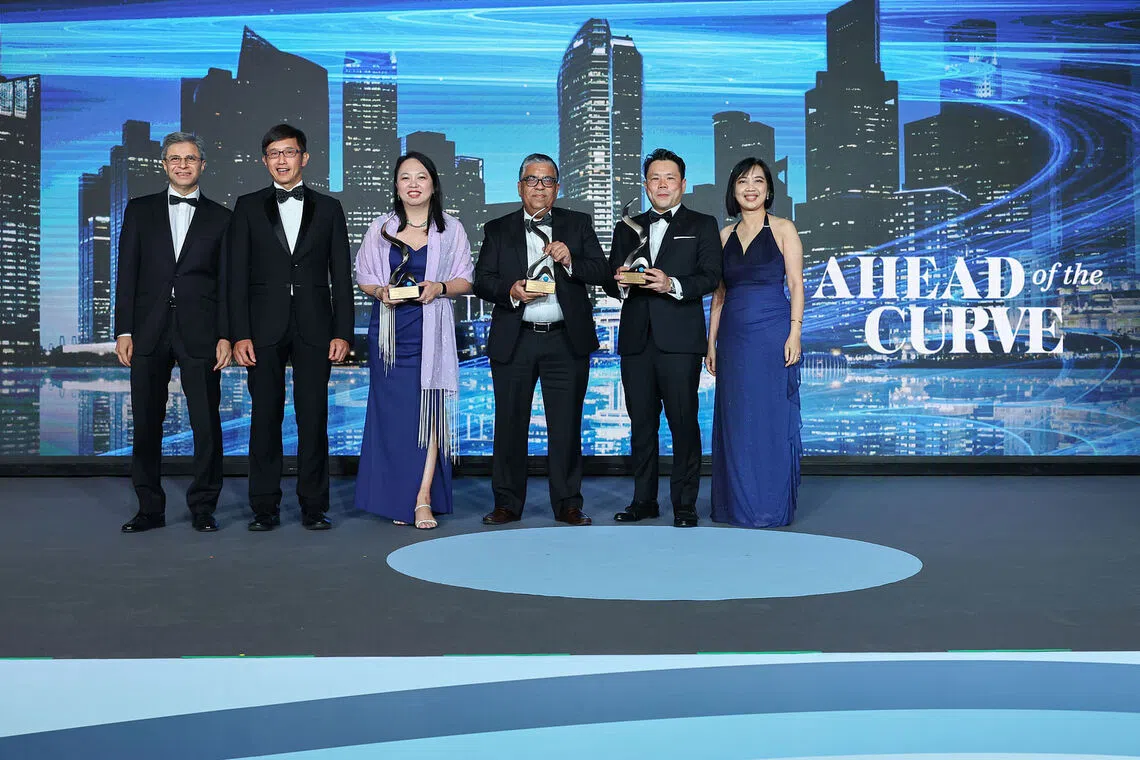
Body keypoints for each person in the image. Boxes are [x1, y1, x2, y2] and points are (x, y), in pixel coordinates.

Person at [473, 153, 611, 526]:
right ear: (520, 187)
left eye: (547, 180)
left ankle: (568, 503)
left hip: (565, 340)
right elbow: (482, 280)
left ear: (557, 187)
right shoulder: (497, 228)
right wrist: (511, 290)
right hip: (515, 338)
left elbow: (602, 271)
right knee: (509, 424)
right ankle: (506, 503)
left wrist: (570, 261)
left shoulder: (577, 224)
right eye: (532, 180)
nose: (539, 186)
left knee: (566, 426)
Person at [228, 124, 354, 531]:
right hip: (262, 329)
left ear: (305, 157)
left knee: (313, 418)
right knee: (264, 418)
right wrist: (239, 333)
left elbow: (341, 276)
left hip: (316, 327)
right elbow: (236, 276)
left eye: (289, 152)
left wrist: (343, 331)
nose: (282, 160)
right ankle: (264, 508)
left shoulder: (330, 208)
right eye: (274, 154)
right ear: (265, 160)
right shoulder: (247, 206)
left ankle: (314, 507)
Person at [115, 131, 232, 533]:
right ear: (164, 165)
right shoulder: (139, 210)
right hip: (147, 330)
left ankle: (204, 508)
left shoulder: (223, 217)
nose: (183, 165)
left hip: (202, 331)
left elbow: (227, 283)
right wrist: (124, 330)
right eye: (175, 159)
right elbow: (126, 273)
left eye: (191, 158)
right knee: (147, 422)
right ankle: (149, 508)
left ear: (203, 165)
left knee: (206, 423)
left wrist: (226, 335)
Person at [354, 152, 473, 529]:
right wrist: (380, 292)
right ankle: (396, 497)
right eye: (405, 177)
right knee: (393, 417)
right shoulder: (380, 228)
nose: (413, 184)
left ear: (433, 184)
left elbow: (466, 279)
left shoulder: (451, 229)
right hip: (390, 336)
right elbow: (364, 276)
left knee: (429, 412)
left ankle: (423, 497)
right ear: (396, 185)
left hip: (431, 332)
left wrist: (440, 287)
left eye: (421, 177)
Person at [606, 148, 722, 528]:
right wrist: (621, 282)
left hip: (680, 340)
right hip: (635, 341)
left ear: (682, 184)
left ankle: (685, 504)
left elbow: (710, 276)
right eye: (655, 178)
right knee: (641, 426)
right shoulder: (627, 226)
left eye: (669, 178)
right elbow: (610, 280)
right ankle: (643, 501)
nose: (662, 185)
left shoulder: (702, 224)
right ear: (645, 185)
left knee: (683, 423)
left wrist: (671, 283)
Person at [706, 158, 804, 527]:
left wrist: (795, 332)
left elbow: (795, 284)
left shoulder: (783, 228)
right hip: (733, 338)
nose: (751, 188)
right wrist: (711, 344)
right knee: (736, 418)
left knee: (769, 417)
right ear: (733, 190)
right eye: (743, 181)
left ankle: (768, 506)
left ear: (768, 189)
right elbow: (718, 296)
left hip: (772, 334)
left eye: (758, 181)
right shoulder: (723, 237)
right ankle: (735, 504)